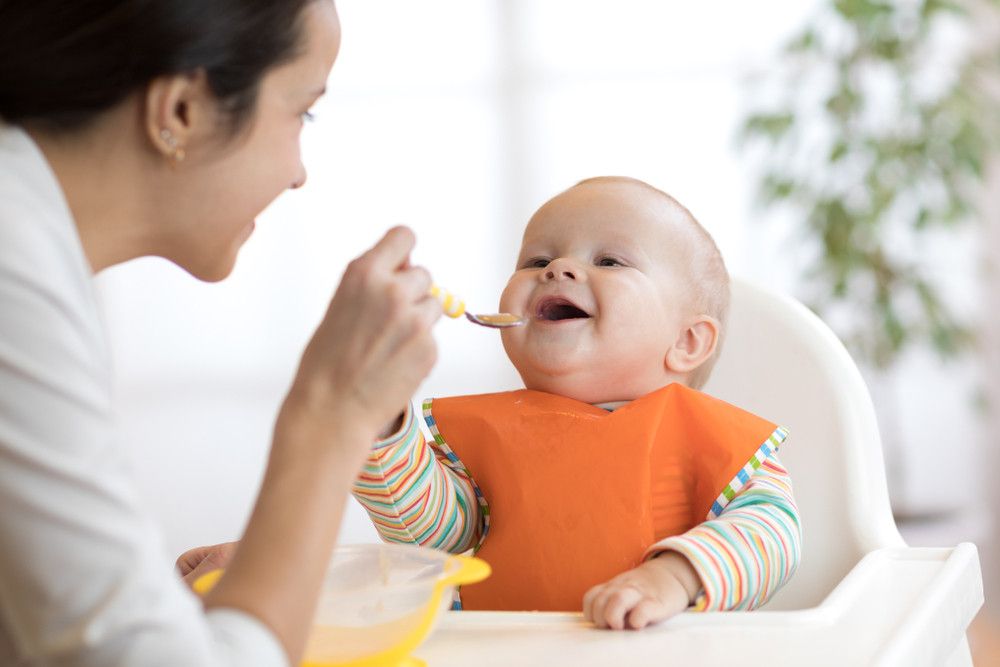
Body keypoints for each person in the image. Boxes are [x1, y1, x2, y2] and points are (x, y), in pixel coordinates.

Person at [0, 1, 442, 665]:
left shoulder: (36, 248)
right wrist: (331, 416)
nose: (300, 173)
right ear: (181, 111)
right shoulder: (15, 267)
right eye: (303, 112)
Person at [352, 176, 802, 630]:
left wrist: (674, 577)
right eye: (537, 259)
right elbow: (431, 536)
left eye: (609, 260)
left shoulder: (709, 443)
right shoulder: (493, 440)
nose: (558, 268)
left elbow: (773, 535)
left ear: (686, 341)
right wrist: (381, 420)